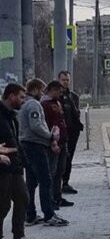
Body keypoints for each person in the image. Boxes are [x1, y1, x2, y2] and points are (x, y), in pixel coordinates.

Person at [19, 79, 68, 227]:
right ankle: (49, 214)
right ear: (35, 89)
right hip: (35, 145)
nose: (43, 93)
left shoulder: (24, 104)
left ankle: (30, 214)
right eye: (42, 90)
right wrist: (50, 136)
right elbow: (36, 125)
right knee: (46, 181)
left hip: (26, 145)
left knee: (31, 183)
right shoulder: (33, 104)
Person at [0, 83, 40, 239]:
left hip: (14, 166)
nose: (23, 101)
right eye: (21, 97)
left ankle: (19, 236)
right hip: (2, 167)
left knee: (23, 197)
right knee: (2, 204)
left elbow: (15, 141)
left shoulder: (10, 115)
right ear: (11, 96)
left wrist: (23, 160)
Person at [41, 81, 74, 209]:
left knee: (60, 171)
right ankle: (51, 200)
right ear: (51, 90)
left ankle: (58, 196)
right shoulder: (44, 104)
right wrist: (52, 140)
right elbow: (46, 124)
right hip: (53, 143)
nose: (60, 94)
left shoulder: (57, 102)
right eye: (58, 92)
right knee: (52, 172)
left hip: (62, 141)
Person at [58, 71, 83, 194]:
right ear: (59, 80)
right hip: (61, 133)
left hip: (72, 132)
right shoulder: (55, 96)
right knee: (61, 159)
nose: (65, 82)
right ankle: (58, 184)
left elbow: (76, 113)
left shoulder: (73, 96)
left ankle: (65, 182)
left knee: (69, 158)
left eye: (67, 79)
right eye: (63, 79)